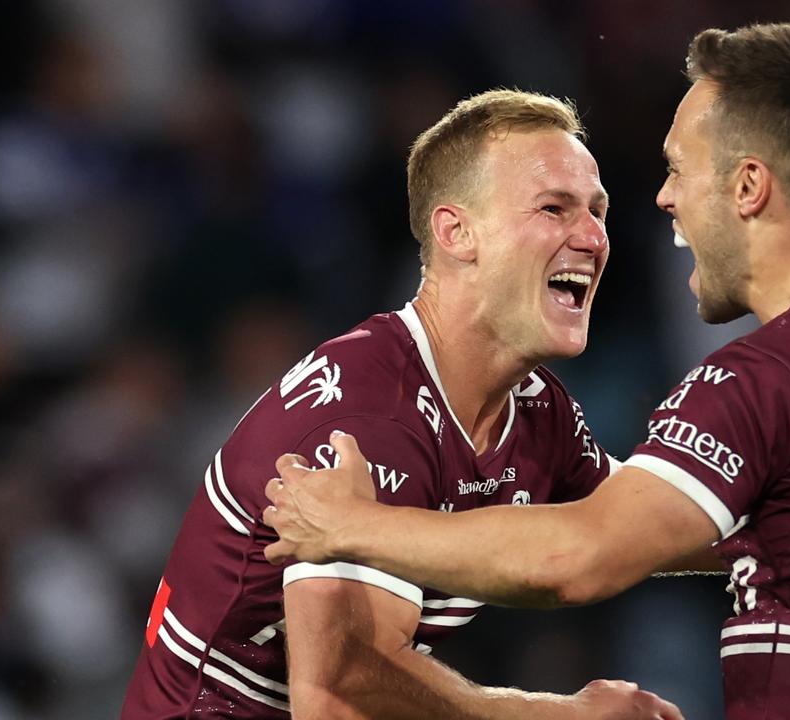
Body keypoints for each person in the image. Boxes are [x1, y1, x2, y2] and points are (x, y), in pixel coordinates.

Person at [261, 22, 790, 720]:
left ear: (749, 186)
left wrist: (352, 526)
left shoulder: (766, 378)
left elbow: (581, 559)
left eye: (680, 168)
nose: (663, 199)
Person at [121, 89, 684, 720]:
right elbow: (338, 695)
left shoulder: (535, 408)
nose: (591, 237)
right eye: (554, 208)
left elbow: (636, 528)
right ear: (456, 232)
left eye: (597, 211)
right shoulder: (366, 421)